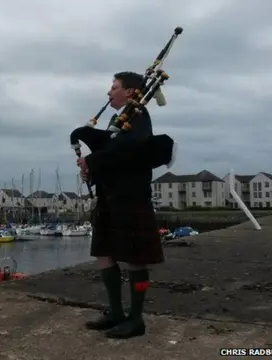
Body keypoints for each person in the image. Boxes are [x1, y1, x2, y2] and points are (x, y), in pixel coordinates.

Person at [76, 71, 164, 339]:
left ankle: (136, 319)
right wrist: (91, 167)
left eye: (114, 87)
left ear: (129, 92)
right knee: (105, 253)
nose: (109, 92)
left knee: (135, 259)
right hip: (109, 196)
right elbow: (111, 151)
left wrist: (93, 161)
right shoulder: (119, 118)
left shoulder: (138, 117)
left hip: (130, 197)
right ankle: (115, 312)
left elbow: (128, 150)